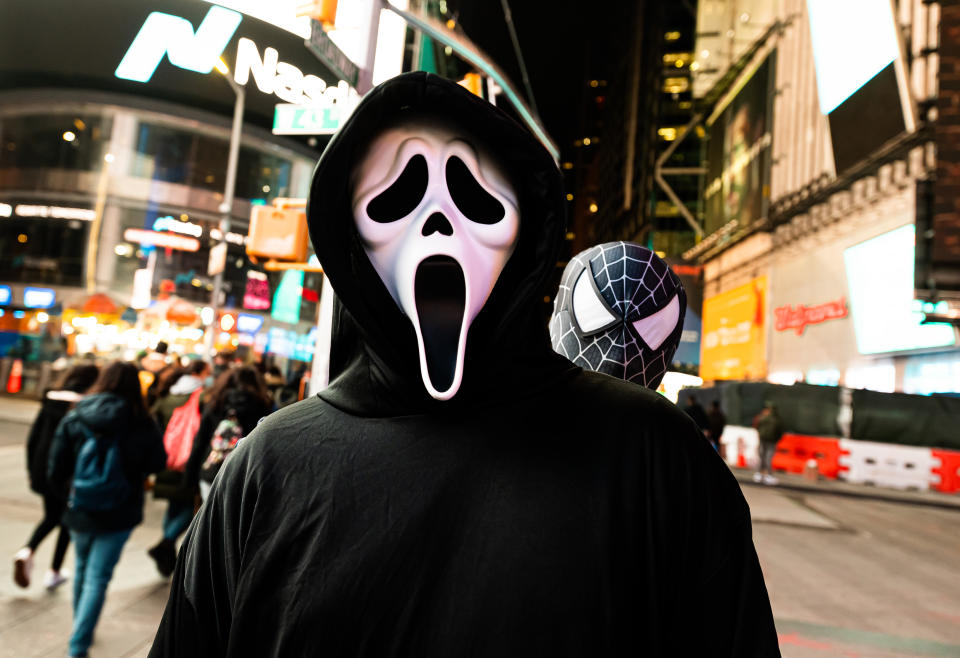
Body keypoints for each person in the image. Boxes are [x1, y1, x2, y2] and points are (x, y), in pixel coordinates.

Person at [150, 72, 778, 656]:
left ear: (526, 233)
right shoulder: (268, 468)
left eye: (478, 202)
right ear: (349, 240)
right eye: (394, 200)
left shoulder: (654, 456)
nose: (439, 228)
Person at [48, 360, 167, 658]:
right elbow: (157, 463)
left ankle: (80, 630)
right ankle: (78, 645)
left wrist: (68, 493)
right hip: (120, 511)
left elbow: (56, 466)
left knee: (81, 571)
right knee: (97, 578)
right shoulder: (142, 420)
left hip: (80, 507)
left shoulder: (78, 415)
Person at [14, 363, 99, 590]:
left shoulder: (50, 399)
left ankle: (27, 550)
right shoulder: (86, 405)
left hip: (42, 469)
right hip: (70, 474)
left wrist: (32, 470)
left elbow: (33, 438)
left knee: (51, 515)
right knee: (65, 522)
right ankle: (54, 571)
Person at [147, 360, 210, 577]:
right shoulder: (201, 397)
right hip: (187, 460)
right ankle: (166, 543)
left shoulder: (168, 395)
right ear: (199, 373)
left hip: (166, 458)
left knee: (173, 505)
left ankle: (166, 551)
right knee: (186, 508)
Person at [183, 365, 272, 502]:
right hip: (242, 476)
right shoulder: (262, 407)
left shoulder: (215, 403)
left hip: (211, 471)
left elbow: (200, 441)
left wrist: (190, 476)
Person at [754, 402, 785, 485]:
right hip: (772, 441)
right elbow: (780, 431)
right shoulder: (778, 419)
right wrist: (777, 439)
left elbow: (757, 425)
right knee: (768, 458)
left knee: (762, 457)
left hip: (763, 439)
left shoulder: (763, 417)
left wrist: (760, 434)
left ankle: (759, 474)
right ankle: (768, 475)